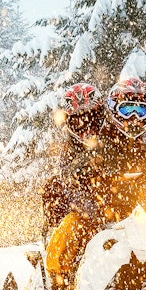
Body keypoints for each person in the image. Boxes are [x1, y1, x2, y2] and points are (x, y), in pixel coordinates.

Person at [44, 77, 146, 290]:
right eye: (127, 109)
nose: (134, 117)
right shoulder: (102, 140)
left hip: (140, 205)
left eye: (140, 110)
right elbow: (79, 168)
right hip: (96, 203)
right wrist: (90, 177)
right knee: (70, 232)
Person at [41, 82, 106, 231]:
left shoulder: (115, 136)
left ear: (101, 114)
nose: (87, 125)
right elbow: (67, 182)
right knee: (52, 189)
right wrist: (89, 209)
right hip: (87, 216)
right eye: (79, 120)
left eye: (92, 117)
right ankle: (54, 240)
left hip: (120, 205)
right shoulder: (69, 149)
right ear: (69, 123)